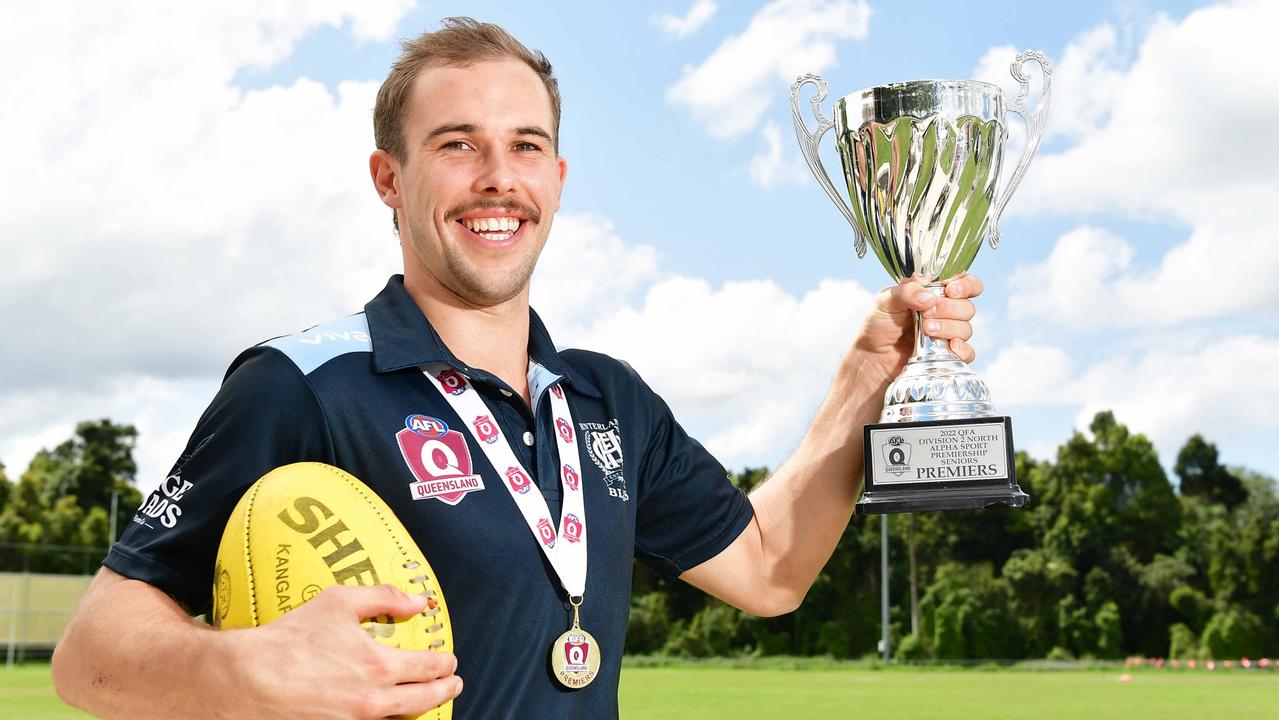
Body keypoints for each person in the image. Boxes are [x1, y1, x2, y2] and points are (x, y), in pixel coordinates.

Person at [52, 17, 986, 719]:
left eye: (525, 147)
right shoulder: (300, 385)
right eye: (457, 145)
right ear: (390, 179)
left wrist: (870, 373)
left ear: (557, 179)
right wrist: (245, 670)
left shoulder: (606, 399)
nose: (497, 177)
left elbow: (769, 568)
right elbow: (88, 653)